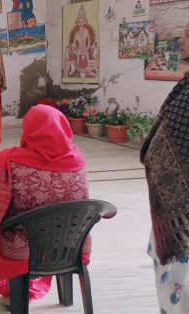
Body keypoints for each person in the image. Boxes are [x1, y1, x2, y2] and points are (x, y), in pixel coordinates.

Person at [0, 105, 90, 304]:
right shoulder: (78, 160)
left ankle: (14, 295)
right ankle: (61, 298)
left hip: (25, 245)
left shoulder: (6, 161)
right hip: (71, 242)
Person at [143, 22, 189, 314]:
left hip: (181, 216)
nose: (180, 41)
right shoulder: (185, 86)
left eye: (186, 37)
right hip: (173, 214)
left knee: (181, 287)